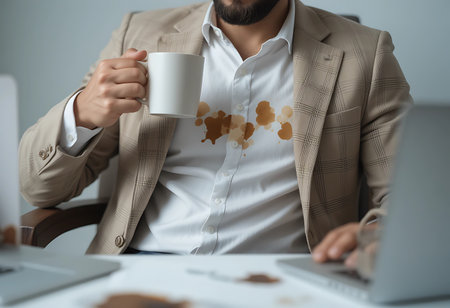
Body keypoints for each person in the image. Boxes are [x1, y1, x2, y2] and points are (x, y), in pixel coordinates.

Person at [19, 0, 412, 263]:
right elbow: (39, 190)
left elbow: (408, 197)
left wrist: (377, 238)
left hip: (279, 279)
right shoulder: (139, 34)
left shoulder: (365, 54)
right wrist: (82, 113)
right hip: (143, 269)